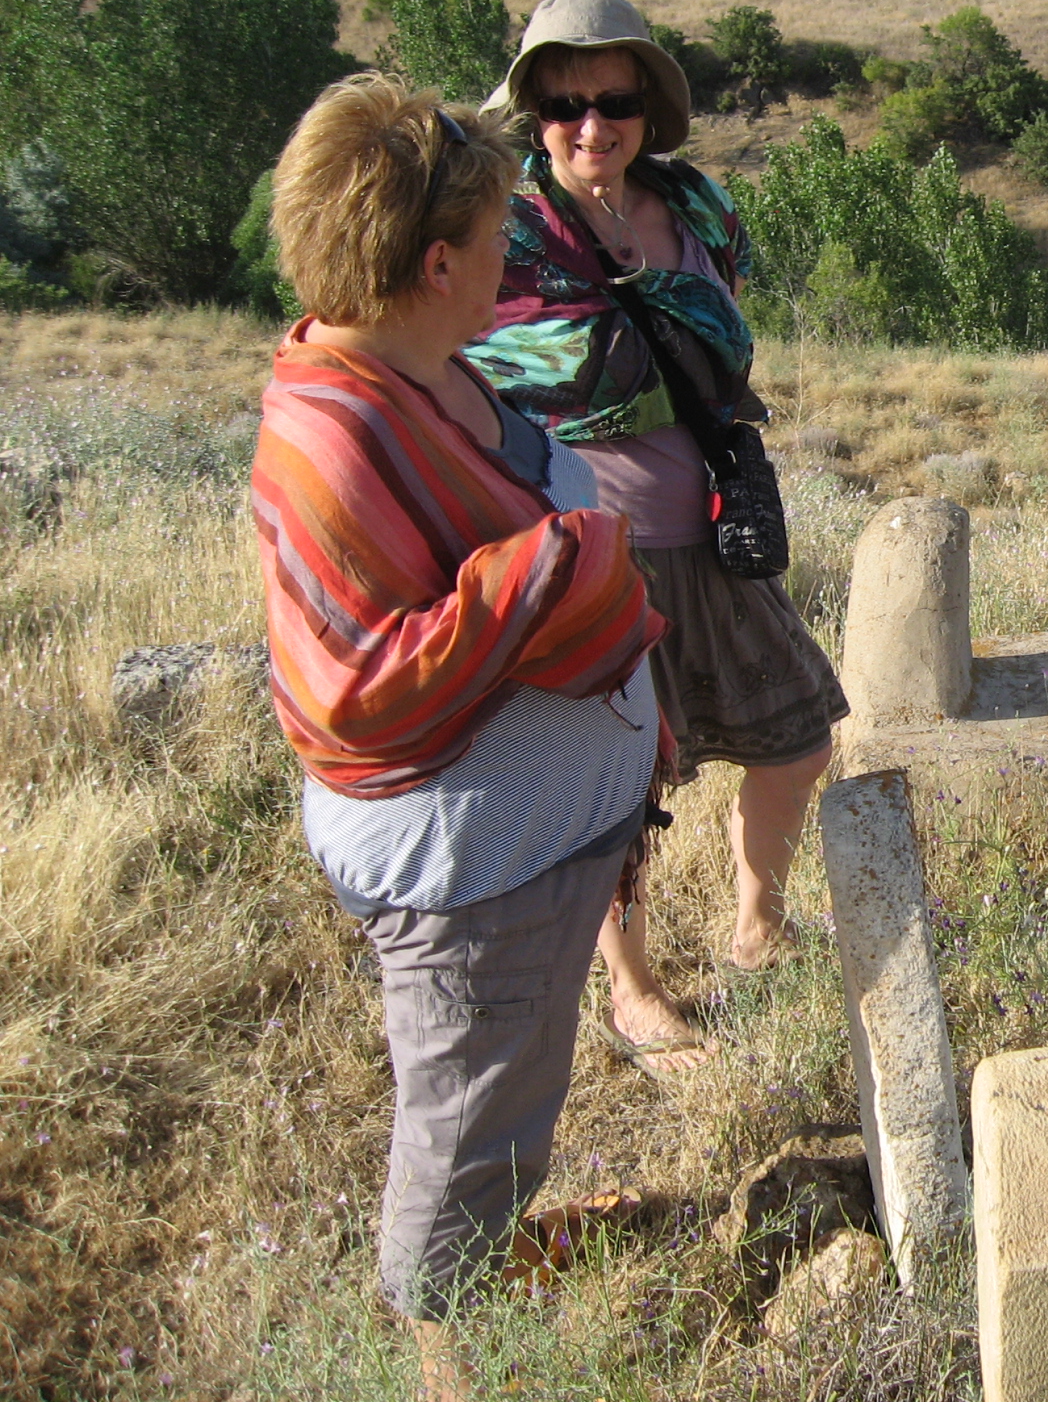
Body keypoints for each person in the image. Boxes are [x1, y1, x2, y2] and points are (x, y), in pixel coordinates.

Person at [251, 74, 670, 1397]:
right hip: (472, 886)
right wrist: (563, 568)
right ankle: (456, 1357)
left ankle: (492, 1266)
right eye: (495, 240)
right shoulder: (337, 434)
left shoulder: (411, 365)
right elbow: (358, 689)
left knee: (508, 1089)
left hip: (521, 859)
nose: (513, 257)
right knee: (464, 1134)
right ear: (436, 264)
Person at [467, 0, 848, 1076]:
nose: (592, 125)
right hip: (589, 550)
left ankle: (758, 926)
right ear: (534, 114)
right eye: (564, 105)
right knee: (618, 791)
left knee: (796, 739)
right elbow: (472, 374)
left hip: (711, 530)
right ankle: (633, 993)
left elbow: (719, 349)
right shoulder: (505, 234)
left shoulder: (697, 209)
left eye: (615, 101)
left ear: (648, 108)